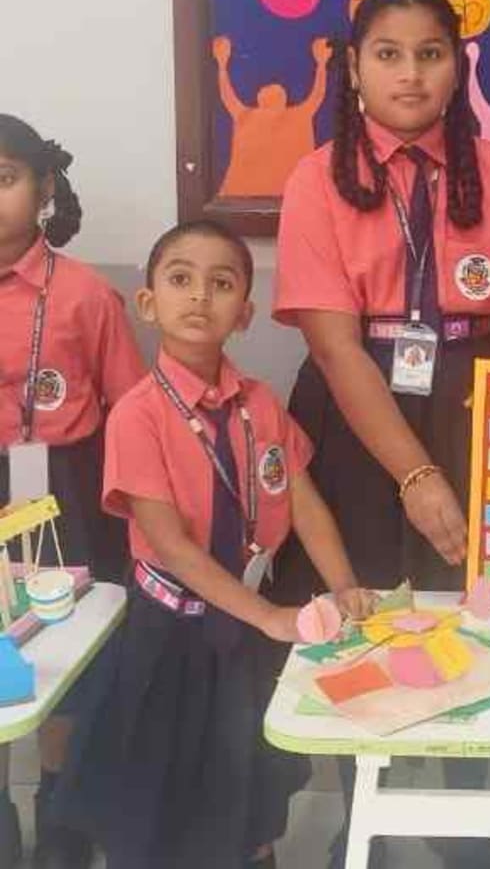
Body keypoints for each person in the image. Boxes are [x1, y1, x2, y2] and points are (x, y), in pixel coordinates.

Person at [273, 0, 490, 867]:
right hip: (357, 409)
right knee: (363, 608)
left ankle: (463, 810)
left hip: (472, 397)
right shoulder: (316, 179)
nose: (411, 73)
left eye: (431, 53)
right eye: (388, 54)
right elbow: (335, 345)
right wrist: (417, 474)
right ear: (353, 68)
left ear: (457, 66)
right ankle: (369, 817)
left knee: (468, 610)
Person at [49, 221, 375, 869]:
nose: (200, 295)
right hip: (169, 635)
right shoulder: (138, 414)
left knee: (248, 790)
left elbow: (305, 503)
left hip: (245, 639)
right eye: (181, 279)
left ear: (245, 314)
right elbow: (172, 547)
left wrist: (343, 584)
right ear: (149, 303)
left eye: (222, 284)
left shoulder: (261, 405)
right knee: (158, 798)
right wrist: (270, 616)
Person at [0, 113, 144, 869]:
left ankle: (61, 814)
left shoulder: (86, 295)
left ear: (44, 187)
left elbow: (132, 414)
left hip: (65, 489)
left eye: (4, 179)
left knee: (66, 646)